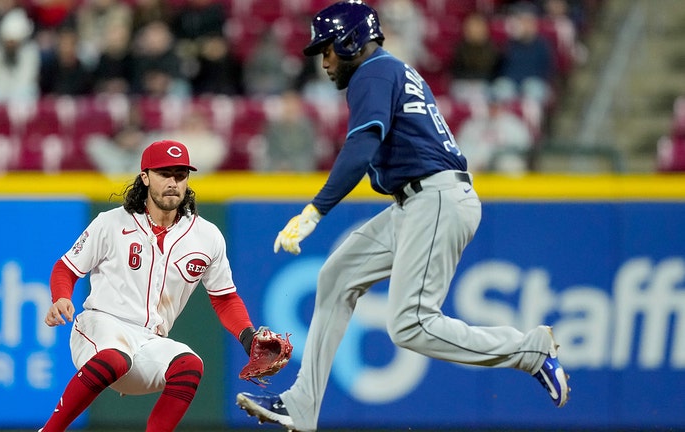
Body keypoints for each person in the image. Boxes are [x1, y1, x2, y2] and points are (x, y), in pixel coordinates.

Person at [235, 2, 570, 431]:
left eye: (328, 50)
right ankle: (302, 405)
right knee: (336, 276)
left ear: (350, 41)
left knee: (410, 325)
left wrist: (315, 209)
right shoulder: (387, 69)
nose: (324, 61)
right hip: (417, 200)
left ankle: (528, 350)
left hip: (435, 198)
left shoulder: (372, 71)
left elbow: (361, 148)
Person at [41, 140, 275, 431]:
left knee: (190, 365)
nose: (173, 182)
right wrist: (61, 296)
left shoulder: (207, 235)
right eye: (165, 173)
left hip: (150, 341)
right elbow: (66, 267)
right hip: (100, 326)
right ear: (145, 176)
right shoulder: (111, 223)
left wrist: (248, 337)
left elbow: (224, 298)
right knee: (114, 358)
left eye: (180, 174)